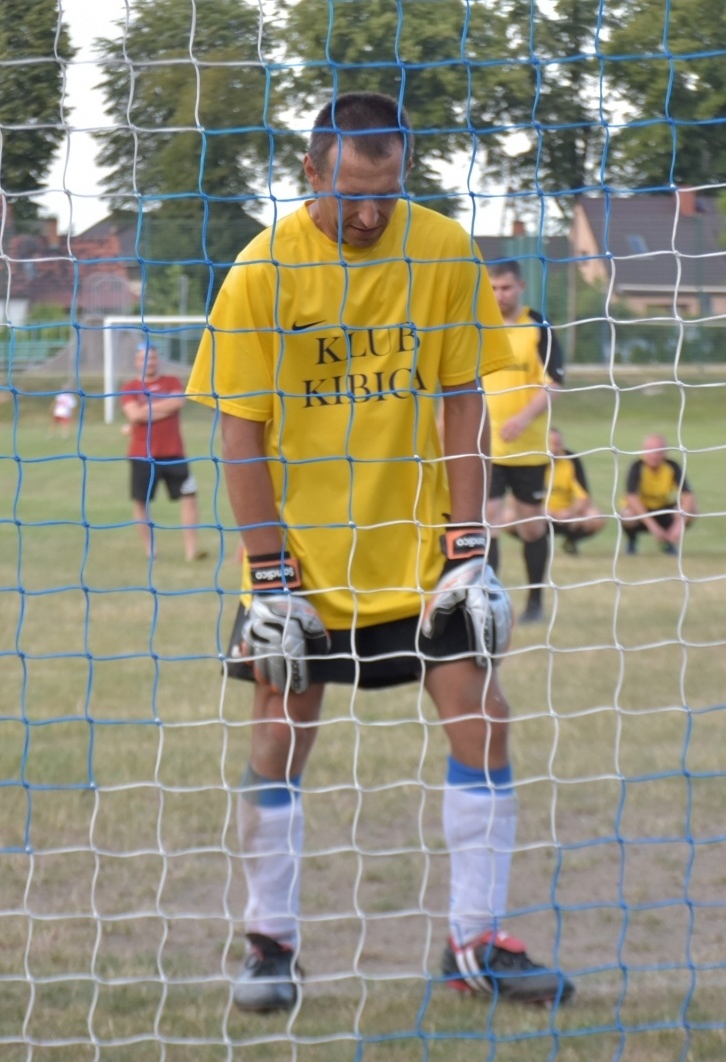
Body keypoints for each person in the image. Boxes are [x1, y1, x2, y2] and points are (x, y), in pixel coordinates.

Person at [187, 91, 572, 1014]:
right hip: (307, 570)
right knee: (280, 736)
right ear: (310, 171)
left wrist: (470, 550)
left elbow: (461, 402)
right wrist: (272, 579)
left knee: (485, 720)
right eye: (353, 192)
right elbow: (240, 439)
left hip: (421, 559)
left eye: (387, 194)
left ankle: (474, 944)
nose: (369, 213)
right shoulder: (258, 274)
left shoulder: (441, 250)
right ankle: (270, 944)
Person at [482, 260, 565, 623]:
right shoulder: (478, 325)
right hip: (485, 447)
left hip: (529, 448)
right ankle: (491, 603)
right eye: (494, 288)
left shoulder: (539, 327)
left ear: (521, 287)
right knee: (488, 523)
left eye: (507, 288)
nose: (500, 295)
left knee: (531, 526)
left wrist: (522, 418)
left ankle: (534, 602)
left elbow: (554, 384)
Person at [120, 343, 204, 562]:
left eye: (153, 357)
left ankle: (191, 551)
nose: (150, 361)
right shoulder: (130, 387)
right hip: (142, 455)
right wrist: (160, 409)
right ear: (137, 361)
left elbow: (178, 402)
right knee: (141, 502)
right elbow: (134, 416)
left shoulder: (172, 381)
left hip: (175, 453)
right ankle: (151, 550)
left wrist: (146, 411)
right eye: (144, 358)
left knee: (189, 497)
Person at [620, 435, 695, 555]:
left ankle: (669, 543)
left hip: (663, 509)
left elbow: (688, 495)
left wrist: (679, 525)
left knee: (692, 511)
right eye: (650, 450)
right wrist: (653, 527)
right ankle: (632, 542)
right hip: (642, 511)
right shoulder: (637, 467)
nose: (654, 455)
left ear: (665, 453)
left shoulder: (672, 466)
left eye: (658, 451)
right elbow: (631, 498)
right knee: (627, 515)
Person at [546, 426, 603, 553]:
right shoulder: (534, 462)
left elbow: (584, 497)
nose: (556, 448)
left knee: (596, 517)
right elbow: (518, 498)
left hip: (566, 515)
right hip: (540, 514)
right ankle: (534, 545)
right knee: (508, 517)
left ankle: (571, 541)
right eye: (552, 444)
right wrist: (544, 511)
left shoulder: (571, 460)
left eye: (558, 444)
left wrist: (570, 512)